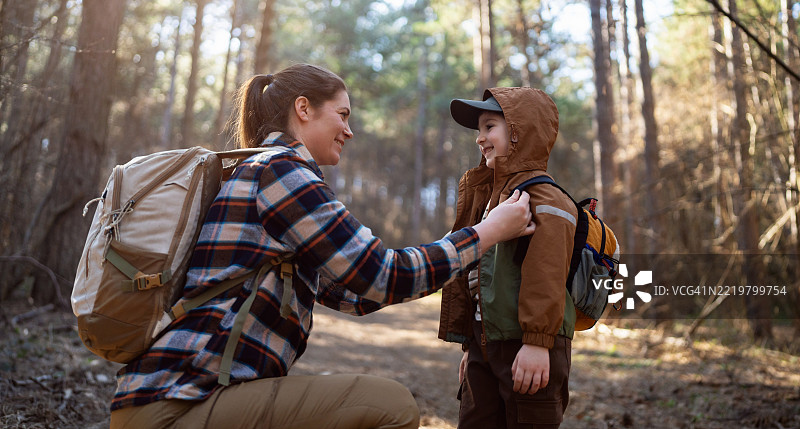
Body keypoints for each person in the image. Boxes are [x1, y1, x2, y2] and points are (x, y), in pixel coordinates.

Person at [109, 64, 536, 429]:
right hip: (179, 405)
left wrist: (466, 256)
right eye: (343, 114)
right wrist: (486, 234)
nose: (349, 130)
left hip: (174, 399)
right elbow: (383, 276)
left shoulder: (263, 170)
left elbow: (355, 295)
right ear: (303, 108)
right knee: (392, 407)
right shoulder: (281, 171)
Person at [438, 87, 577, 429]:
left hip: (527, 344)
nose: (479, 139)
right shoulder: (489, 197)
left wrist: (537, 343)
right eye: (478, 130)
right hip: (487, 343)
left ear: (518, 133)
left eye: (489, 127)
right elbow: (477, 279)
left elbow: (546, 275)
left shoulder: (545, 198)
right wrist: (472, 346)